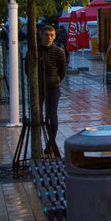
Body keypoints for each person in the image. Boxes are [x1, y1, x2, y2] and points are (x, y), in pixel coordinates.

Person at [38, 25, 67, 156]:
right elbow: (28, 70)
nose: (48, 38)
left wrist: (56, 80)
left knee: (52, 116)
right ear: (41, 35)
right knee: (37, 115)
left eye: (51, 35)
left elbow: (62, 71)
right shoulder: (35, 51)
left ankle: (51, 143)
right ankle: (37, 143)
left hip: (53, 87)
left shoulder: (59, 52)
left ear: (54, 36)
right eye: (46, 35)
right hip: (38, 87)